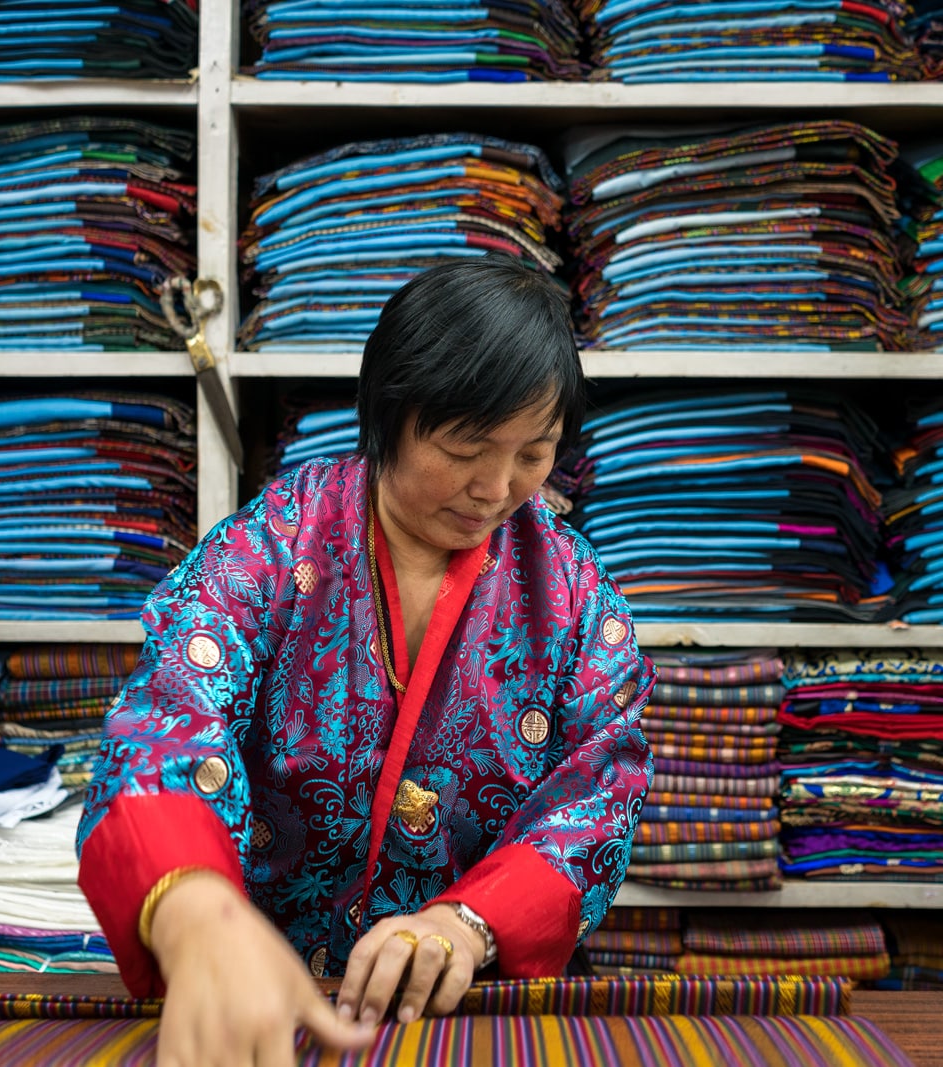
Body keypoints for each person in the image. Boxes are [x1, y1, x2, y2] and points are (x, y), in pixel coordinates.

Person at [76, 256, 654, 1067]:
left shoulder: (571, 593)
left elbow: (603, 785)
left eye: (534, 453)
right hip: (262, 1004)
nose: (495, 487)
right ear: (388, 413)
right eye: (465, 446)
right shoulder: (270, 550)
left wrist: (469, 922)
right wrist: (197, 913)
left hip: (467, 1012)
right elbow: (171, 719)